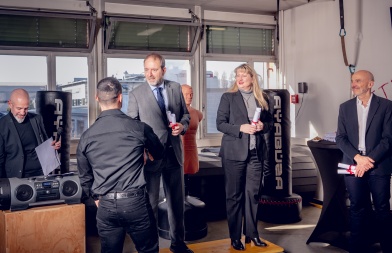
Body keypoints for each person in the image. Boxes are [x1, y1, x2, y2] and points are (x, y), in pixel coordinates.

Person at [77, 77, 164, 253]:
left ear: (96, 98)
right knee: (148, 250)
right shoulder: (139, 128)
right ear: (120, 97)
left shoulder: (86, 136)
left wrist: (95, 198)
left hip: (105, 204)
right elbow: (160, 153)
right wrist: (146, 158)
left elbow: (85, 176)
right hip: (135, 203)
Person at [128, 53, 192, 253]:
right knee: (151, 206)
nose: (150, 73)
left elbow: (186, 115)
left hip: (174, 154)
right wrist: (143, 151)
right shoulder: (136, 93)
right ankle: (151, 248)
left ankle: (178, 244)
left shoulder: (174, 88)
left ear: (163, 70)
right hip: (152, 157)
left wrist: (182, 126)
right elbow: (132, 127)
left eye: (154, 69)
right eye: (146, 69)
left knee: (176, 204)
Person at [216, 63, 273, 251]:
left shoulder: (262, 98)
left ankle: (252, 234)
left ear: (252, 79)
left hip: (256, 154)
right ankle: (235, 237)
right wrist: (241, 128)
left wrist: (262, 126)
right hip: (234, 154)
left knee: (253, 195)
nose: (239, 79)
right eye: (237, 76)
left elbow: (270, 123)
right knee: (234, 196)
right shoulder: (228, 97)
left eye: (244, 75)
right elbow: (220, 124)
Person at [336, 70, 392, 253]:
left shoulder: (386, 106)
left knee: (382, 208)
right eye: (352, 80)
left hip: (379, 166)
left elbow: (388, 139)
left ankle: (387, 247)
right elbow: (341, 138)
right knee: (357, 207)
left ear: (370, 84)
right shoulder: (345, 107)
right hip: (354, 163)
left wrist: (369, 160)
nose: (354, 84)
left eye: (358, 80)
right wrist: (359, 159)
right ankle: (357, 248)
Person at [0, 88, 61, 178]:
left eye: (26, 108)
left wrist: (53, 146)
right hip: (16, 177)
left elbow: (44, 144)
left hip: (41, 173)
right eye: (19, 108)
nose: (22, 112)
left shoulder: (36, 119)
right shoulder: (2, 125)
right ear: (10, 104)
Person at [181, 84, 203, 194]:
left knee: (189, 177)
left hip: (192, 149)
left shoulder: (198, 113)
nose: (190, 96)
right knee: (180, 177)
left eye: (191, 94)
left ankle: (187, 197)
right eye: (186, 94)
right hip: (180, 149)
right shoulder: (176, 112)